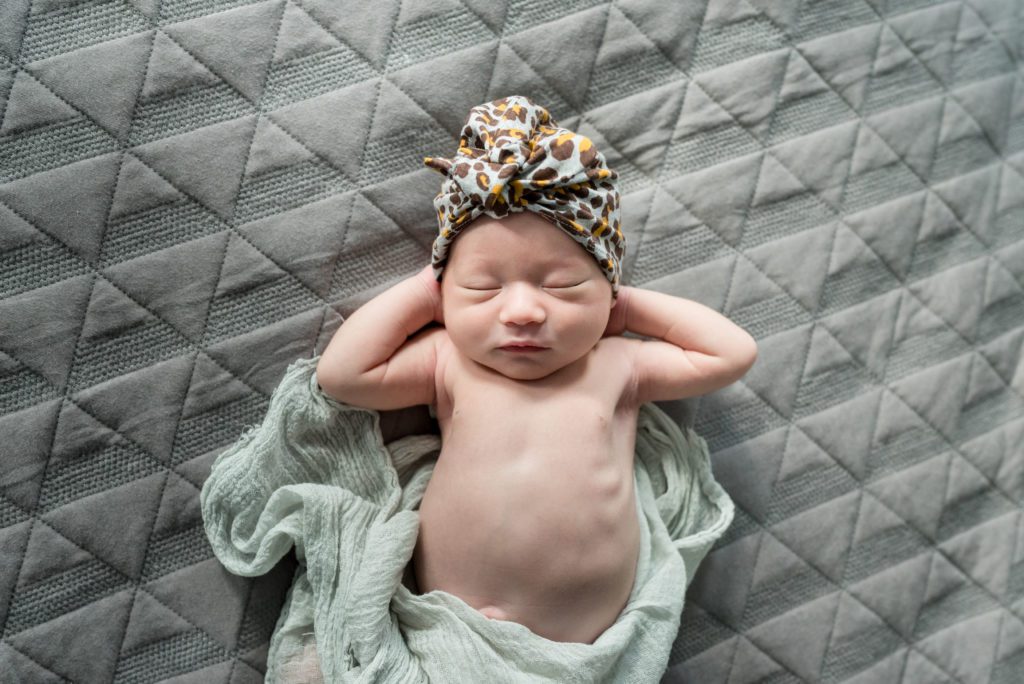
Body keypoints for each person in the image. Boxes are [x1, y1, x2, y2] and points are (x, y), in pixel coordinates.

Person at [314, 95, 757, 646]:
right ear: (444, 294)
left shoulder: (618, 366)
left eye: (565, 286)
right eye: (482, 287)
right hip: (451, 633)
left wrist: (624, 309)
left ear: (606, 291)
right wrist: (426, 294)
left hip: (577, 645)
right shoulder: (448, 360)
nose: (522, 311)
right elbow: (343, 375)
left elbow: (731, 353)